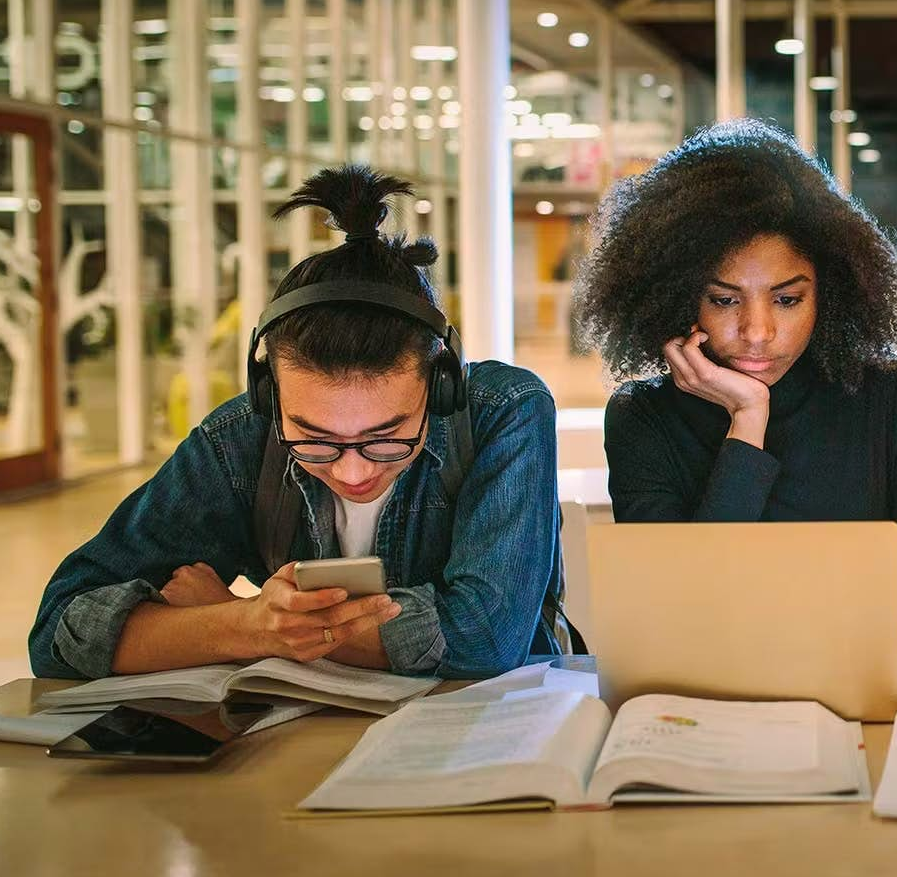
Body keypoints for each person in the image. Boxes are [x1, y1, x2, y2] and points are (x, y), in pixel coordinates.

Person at [31, 166, 568, 679]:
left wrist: (224, 619)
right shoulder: (239, 438)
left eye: (386, 438)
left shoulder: (505, 412)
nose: (354, 473)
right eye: (314, 439)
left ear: (442, 383)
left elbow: (485, 641)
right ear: (268, 395)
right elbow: (60, 631)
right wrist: (246, 625)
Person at [576, 119, 897, 651]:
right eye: (726, 300)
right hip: (706, 701)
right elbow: (679, 613)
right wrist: (747, 419)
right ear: (679, 297)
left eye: (787, 299)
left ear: (829, 294)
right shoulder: (642, 417)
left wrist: (847, 643)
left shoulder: (878, 392)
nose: (758, 332)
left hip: (858, 690)